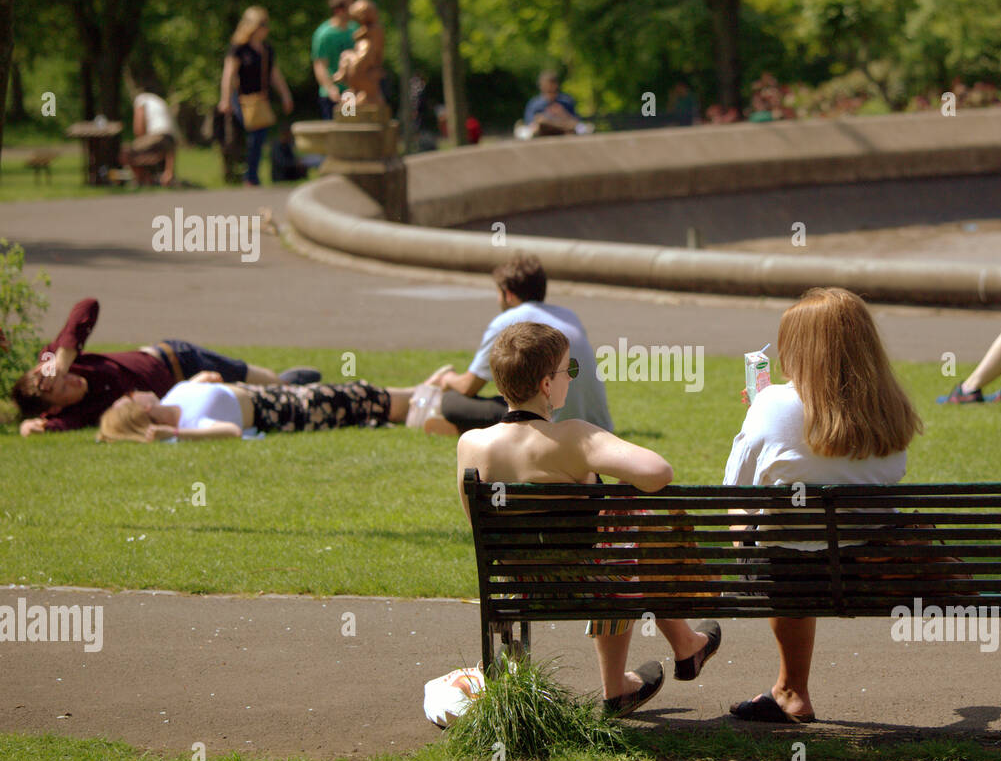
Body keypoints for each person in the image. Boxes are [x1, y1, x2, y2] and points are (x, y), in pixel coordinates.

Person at [455, 321, 721, 717]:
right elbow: (658, 471)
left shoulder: (471, 444)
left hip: (514, 584)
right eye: (569, 371)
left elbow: (477, 524)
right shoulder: (573, 437)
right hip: (587, 584)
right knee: (626, 517)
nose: (571, 379)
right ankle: (629, 679)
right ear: (547, 385)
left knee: (617, 523)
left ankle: (680, 648)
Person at [723, 288, 924, 723]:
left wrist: (761, 407)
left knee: (773, 531)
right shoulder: (892, 411)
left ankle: (792, 689)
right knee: (803, 538)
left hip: (792, 574)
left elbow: (734, 490)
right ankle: (786, 688)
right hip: (869, 570)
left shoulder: (772, 404)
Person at [13, 298, 319, 437]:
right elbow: (49, 428)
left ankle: (288, 384)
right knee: (248, 395)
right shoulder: (73, 415)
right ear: (52, 408)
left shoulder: (59, 361)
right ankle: (299, 391)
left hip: (176, 357)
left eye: (65, 378)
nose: (72, 381)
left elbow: (88, 306)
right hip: (187, 396)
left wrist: (61, 364)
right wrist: (32, 427)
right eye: (63, 390)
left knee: (252, 375)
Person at [412, 254, 614, 436]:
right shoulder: (569, 316)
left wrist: (447, 379)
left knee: (451, 402)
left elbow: (468, 387)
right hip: (595, 424)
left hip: (548, 423)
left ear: (508, 294)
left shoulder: (508, 322)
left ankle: (461, 427)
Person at [98, 368, 446, 442]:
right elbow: (231, 431)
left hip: (279, 396)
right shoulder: (188, 422)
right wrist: (174, 433)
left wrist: (204, 378)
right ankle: (427, 402)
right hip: (286, 411)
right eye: (132, 397)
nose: (139, 391)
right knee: (359, 399)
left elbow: (199, 385)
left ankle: (422, 392)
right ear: (142, 410)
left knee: (360, 391)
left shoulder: (173, 396)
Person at [219, 6, 294, 186]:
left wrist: (285, 95)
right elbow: (229, 74)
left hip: (260, 100)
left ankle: (251, 176)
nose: (266, 28)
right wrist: (226, 99)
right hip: (241, 99)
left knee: (259, 136)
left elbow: (274, 74)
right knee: (242, 137)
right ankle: (241, 174)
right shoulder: (239, 48)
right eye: (262, 24)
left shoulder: (267, 50)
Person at [119, 87, 179, 186]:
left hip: (157, 134)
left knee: (125, 151)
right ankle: (165, 175)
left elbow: (138, 127)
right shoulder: (159, 101)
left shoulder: (141, 99)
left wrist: (139, 141)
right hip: (171, 137)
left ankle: (140, 179)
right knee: (151, 154)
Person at [311, 0, 357, 119]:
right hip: (332, 93)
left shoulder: (355, 30)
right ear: (339, 10)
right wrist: (330, 88)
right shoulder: (324, 34)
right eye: (350, 7)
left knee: (350, 130)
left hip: (350, 92)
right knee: (334, 133)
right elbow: (320, 65)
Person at [518, 70, 591, 137]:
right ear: (541, 86)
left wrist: (563, 114)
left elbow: (575, 120)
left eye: (552, 86)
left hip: (564, 129)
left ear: (556, 85)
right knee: (541, 121)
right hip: (545, 129)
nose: (550, 88)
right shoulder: (534, 103)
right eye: (547, 86)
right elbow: (531, 123)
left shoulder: (566, 101)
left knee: (572, 126)